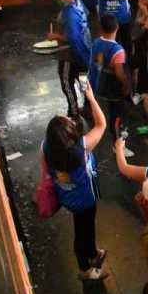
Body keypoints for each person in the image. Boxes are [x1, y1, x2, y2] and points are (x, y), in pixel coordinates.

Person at [42, 82, 107, 281]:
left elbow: (44, 170)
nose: (70, 118)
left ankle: (93, 252)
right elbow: (101, 124)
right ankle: (85, 269)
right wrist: (91, 98)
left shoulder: (46, 147)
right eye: (68, 121)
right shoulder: (82, 148)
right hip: (86, 199)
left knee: (85, 226)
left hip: (66, 196)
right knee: (82, 230)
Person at [46, 0, 91, 117]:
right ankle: (89, 107)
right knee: (84, 81)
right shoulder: (79, 2)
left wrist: (55, 36)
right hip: (85, 51)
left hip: (70, 55)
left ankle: (73, 111)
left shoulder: (69, 13)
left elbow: (71, 37)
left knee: (67, 82)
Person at [87, 14, 130, 124]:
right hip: (113, 89)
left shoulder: (96, 42)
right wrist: (126, 84)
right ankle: (116, 130)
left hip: (98, 85)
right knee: (116, 115)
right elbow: (119, 73)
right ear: (117, 28)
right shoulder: (118, 50)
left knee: (104, 110)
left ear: (101, 28)